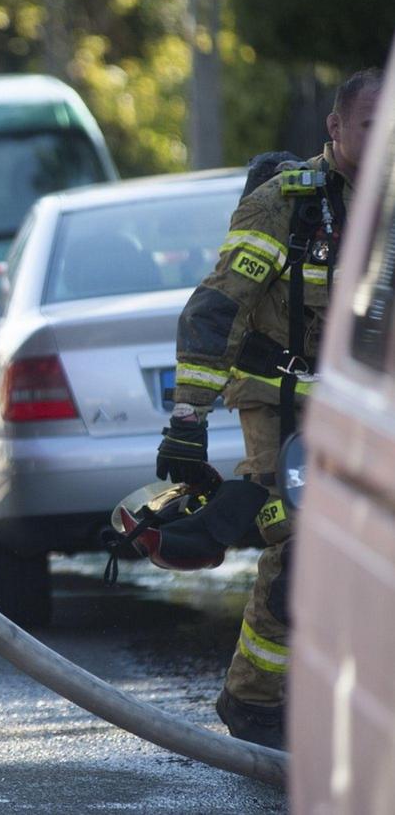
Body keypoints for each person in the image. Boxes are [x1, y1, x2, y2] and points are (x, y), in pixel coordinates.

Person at [157, 68, 382, 750]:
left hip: (368, 408)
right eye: (371, 128)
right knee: (298, 543)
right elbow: (216, 311)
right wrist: (188, 420)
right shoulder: (284, 205)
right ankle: (253, 702)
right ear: (335, 128)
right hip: (282, 400)